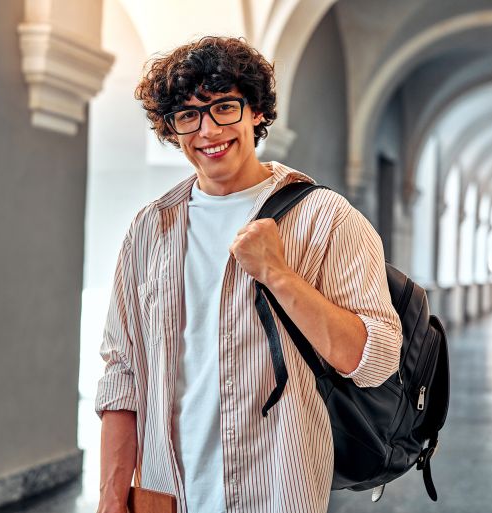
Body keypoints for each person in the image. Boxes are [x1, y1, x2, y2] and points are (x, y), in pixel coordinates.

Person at [94, 36, 402, 513]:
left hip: (276, 491)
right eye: (188, 116)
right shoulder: (150, 230)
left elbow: (375, 358)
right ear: (173, 129)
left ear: (256, 111)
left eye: (223, 107)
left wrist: (278, 274)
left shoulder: (326, 219)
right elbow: (123, 373)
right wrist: (112, 501)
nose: (207, 131)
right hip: (165, 494)